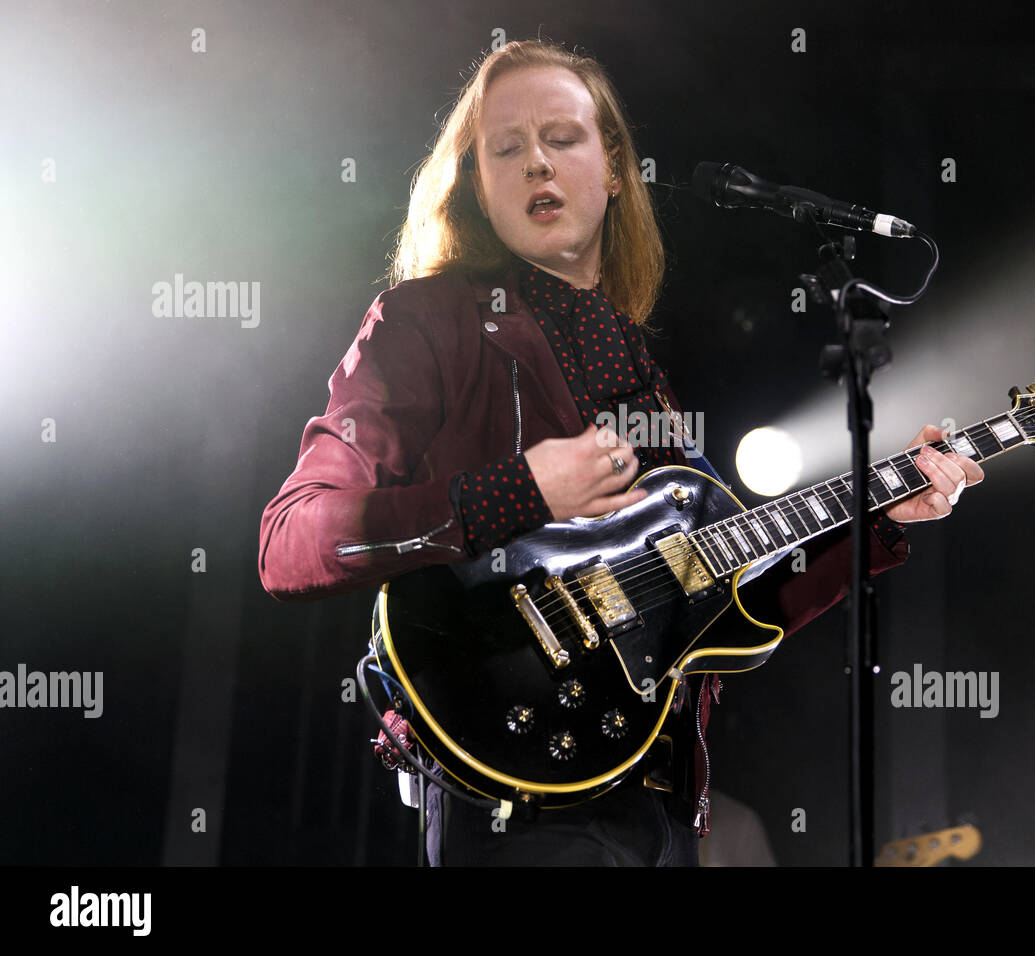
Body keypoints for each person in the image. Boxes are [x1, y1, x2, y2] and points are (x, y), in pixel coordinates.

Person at [258, 39, 984, 866]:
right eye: (506, 147)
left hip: (662, 804)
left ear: (612, 169)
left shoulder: (639, 372)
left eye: (562, 138)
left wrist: (881, 514)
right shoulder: (424, 323)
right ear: (479, 186)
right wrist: (518, 492)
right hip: (515, 792)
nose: (535, 160)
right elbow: (292, 543)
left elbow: (729, 599)